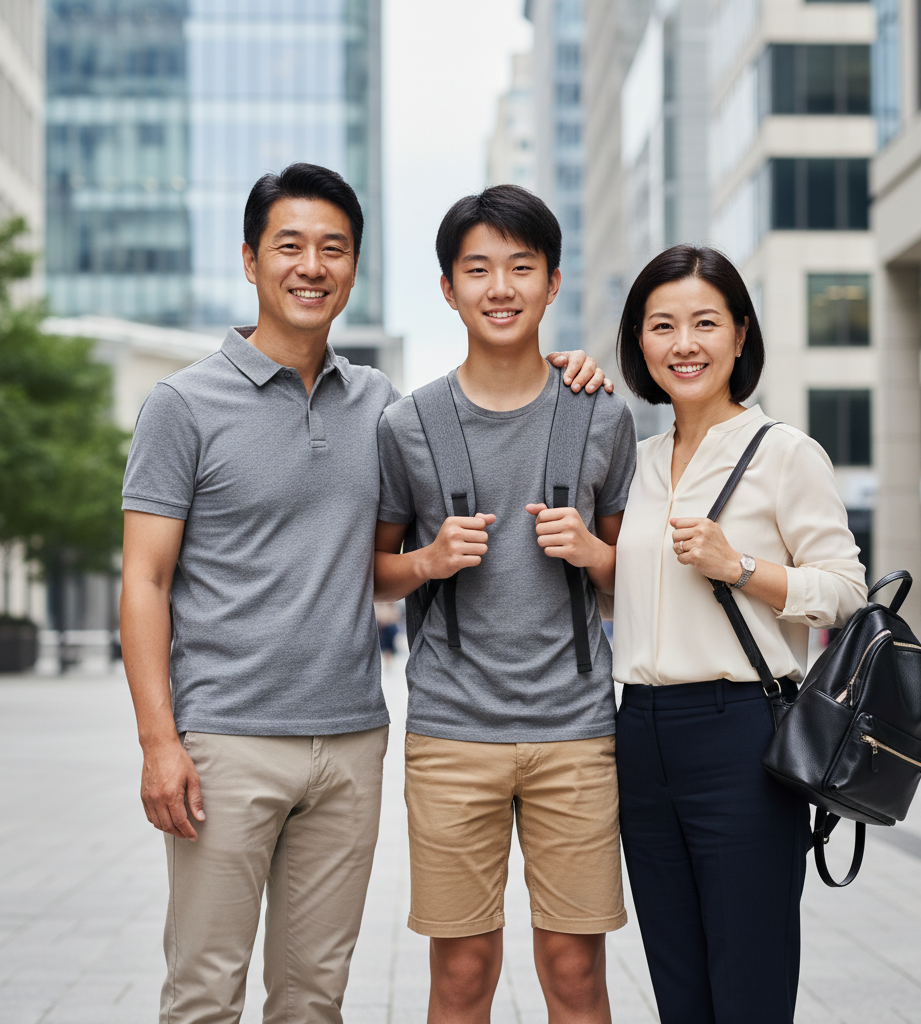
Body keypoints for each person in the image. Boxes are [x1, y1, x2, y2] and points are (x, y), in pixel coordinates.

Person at [119, 162, 610, 1024]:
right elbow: (144, 578)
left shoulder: (382, 408)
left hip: (351, 740)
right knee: (203, 992)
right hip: (226, 739)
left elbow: (417, 518)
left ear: (353, 268)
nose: (312, 265)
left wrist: (573, 367)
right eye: (290, 246)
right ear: (249, 260)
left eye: (333, 249)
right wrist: (160, 742)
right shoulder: (182, 405)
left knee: (315, 998)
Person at [373, 185, 637, 1024]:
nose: (501, 287)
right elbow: (373, 573)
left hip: (577, 730)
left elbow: (630, 582)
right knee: (460, 972)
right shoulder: (407, 424)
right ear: (448, 288)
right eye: (478, 268)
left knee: (573, 972)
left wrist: (598, 556)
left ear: (553, 283)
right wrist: (427, 560)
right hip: (451, 733)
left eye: (522, 268)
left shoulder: (601, 414)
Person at [611, 245, 868, 1024]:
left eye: (704, 323)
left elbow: (847, 592)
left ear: (740, 334)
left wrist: (741, 565)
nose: (683, 343)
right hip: (640, 733)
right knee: (678, 985)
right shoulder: (638, 461)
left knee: (748, 983)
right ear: (639, 342)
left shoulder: (785, 453)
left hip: (741, 736)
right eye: (662, 325)